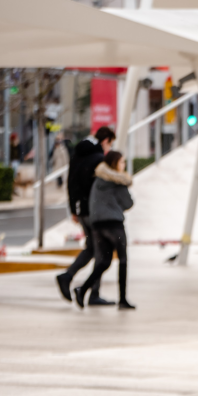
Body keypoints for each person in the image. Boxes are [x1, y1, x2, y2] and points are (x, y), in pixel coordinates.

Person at [56, 126, 115, 305]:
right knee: (101, 251)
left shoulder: (78, 154)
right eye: (110, 144)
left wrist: (73, 208)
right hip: (94, 211)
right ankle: (93, 293)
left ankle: (67, 276)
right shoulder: (98, 159)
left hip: (81, 210)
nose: (110, 148)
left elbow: (70, 182)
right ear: (105, 141)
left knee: (92, 247)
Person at [75, 150, 135, 310]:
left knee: (104, 262)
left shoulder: (98, 180)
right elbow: (128, 203)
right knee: (122, 260)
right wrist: (116, 206)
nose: (124, 165)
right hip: (114, 224)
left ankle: (82, 289)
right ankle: (122, 299)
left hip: (97, 225)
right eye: (122, 162)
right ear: (115, 163)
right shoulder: (118, 181)